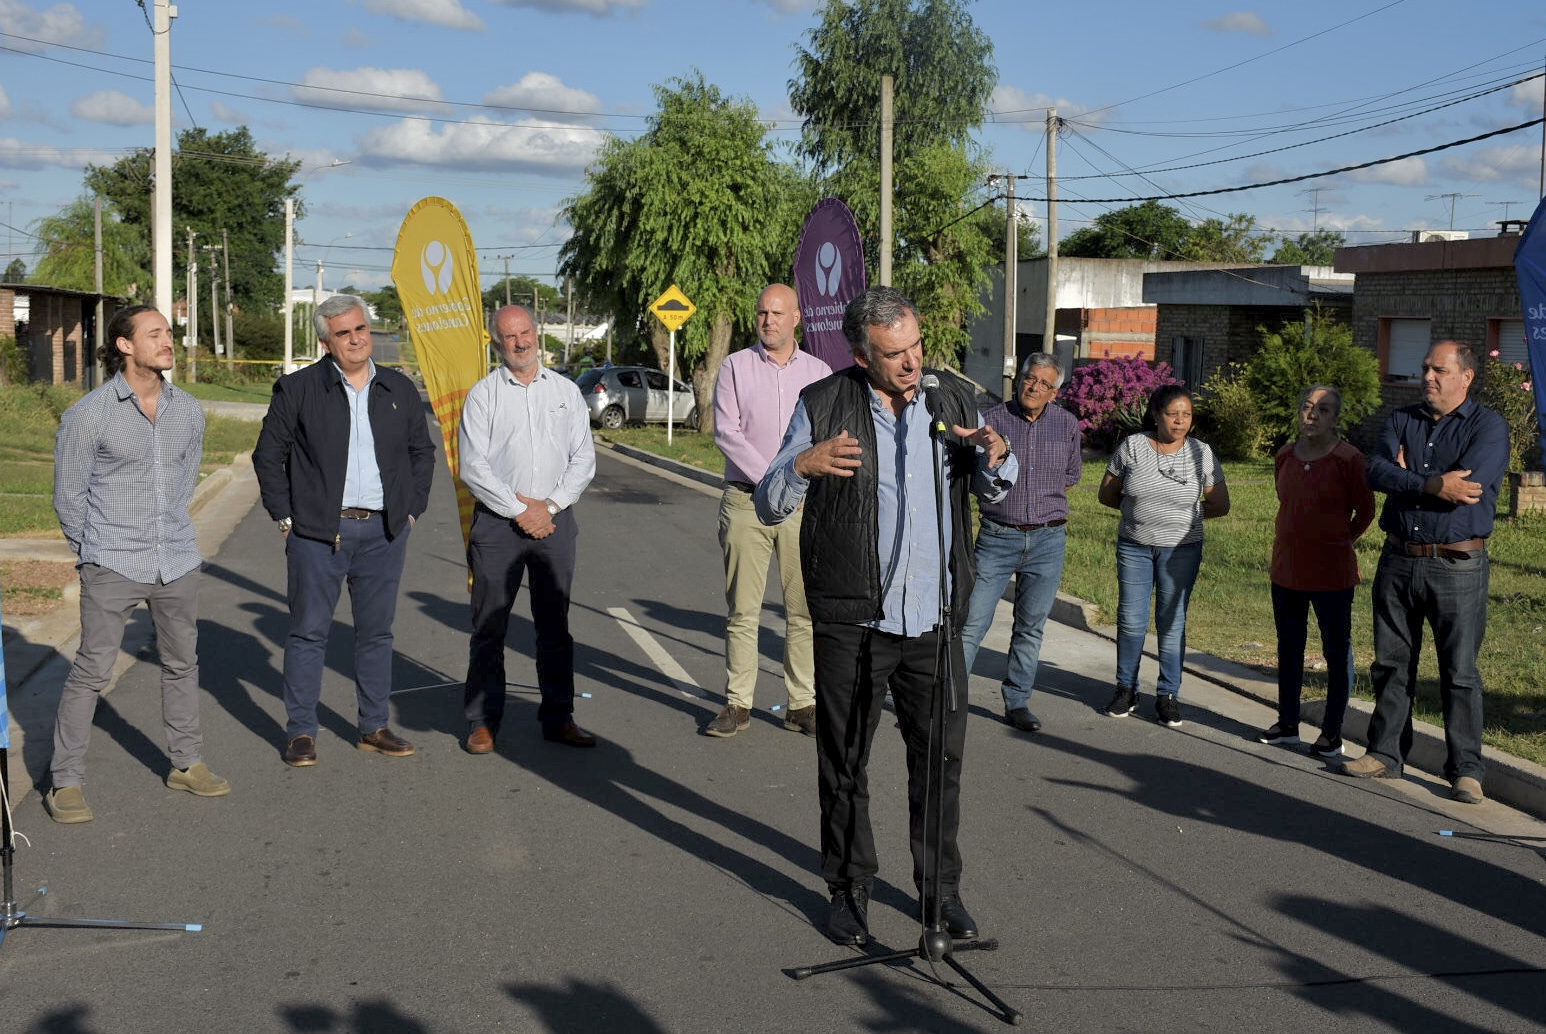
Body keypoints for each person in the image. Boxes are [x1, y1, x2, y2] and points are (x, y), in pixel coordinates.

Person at [756, 286, 1016, 947]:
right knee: (844, 763)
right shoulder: (823, 403)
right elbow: (768, 502)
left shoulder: (952, 399)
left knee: (940, 765)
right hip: (854, 622)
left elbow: (991, 488)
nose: (911, 364)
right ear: (860, 354)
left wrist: (997, 460)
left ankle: (941, 895)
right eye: (895, 354)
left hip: (933, 623)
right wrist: (803, 464)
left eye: (917, 347)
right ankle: (848, 892)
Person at [45, 305, 229, 823]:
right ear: (125, 346)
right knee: (92, 671)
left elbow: (184, 480)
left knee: (182, 664)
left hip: (175, 558)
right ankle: (65, 782)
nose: (167, 341)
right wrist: (94, 555)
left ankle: (186, 764)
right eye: (155, 334)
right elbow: (68, 496)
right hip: (112, 561)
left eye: (168, 333)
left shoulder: (188, 410)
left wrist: (173, 535)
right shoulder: (90, 414)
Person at [253, 294, 436, 767]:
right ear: (325, 341)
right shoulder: (298, 389)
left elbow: (422, 454)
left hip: (384, 532)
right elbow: (268, 457)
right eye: (343, 333)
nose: (355, 339)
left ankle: (373, 727)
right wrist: (286, 520)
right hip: (318, 535)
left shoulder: (398, 388)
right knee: (309, 633)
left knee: (376, 634)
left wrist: (411, 511)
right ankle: (301, 732)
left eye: (360, 329)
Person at [1341, 340, 1508, 804]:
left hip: (1457, 563)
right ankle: (1385, 753)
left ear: (1466, 377)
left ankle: (1466, 771)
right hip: (1399, 559)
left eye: (1439, 370)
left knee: (1459, 671)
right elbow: (1374, 472)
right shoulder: (1401, 419)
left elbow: (1469, 487)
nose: (1427, 377)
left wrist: (1409, 479)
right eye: (1425, 368)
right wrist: (1434, 483)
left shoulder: (1488, 427)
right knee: (1391, 663)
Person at [458, 305, 597, 753]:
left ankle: (559, 716)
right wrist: (521, 510)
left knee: (554, 625)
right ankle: (482, 721)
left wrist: (550, 506)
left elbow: (583, 458)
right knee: (489, 625)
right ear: (496, 343)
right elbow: (473, 466)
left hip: (556, 521)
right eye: (509, 337)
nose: (519, 343)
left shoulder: (565, 392)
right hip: (499, 525)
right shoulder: (483, 395)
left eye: (525, 333)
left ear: (537, 334)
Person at [706, 283, 831, 738]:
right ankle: (737, 704)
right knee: (743, 610)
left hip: (802, 504)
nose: (768, 320)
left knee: (802, 612)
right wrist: (773, 480)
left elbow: (824, 436)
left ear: (796, 318)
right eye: (762, 313)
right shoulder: (735, 366)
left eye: (778, 313)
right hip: (746, 501)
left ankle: (802, 704)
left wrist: (794, 485)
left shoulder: (819, 372)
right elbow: (727, 432)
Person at [959, 352, 1082, 735]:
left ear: (1055, 392)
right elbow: (971, 474)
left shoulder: (1067, 424)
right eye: (1030, 378)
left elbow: (1071, 475)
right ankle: (951, 699)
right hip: (997, 536)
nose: (1034, 387)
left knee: (1030, 626)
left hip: (1048, 538)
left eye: (1044, 383)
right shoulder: (991, 421)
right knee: (971, 622)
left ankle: (1017, 701)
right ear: (1019, 379)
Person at [1098, 385, 1230, 727]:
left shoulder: (1202, 453)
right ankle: (1125, 688)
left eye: (1187, 415)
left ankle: (1168, 694)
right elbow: (1107, 493)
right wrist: (1139, 512)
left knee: (1171, 624)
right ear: (1156, 414)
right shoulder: (1133, 446)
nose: (1180, 420)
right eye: (1173, 413)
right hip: (1135, 546)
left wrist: (1185, 520)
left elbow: (1220, 503)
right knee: (1130, 621)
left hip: (1181, 551)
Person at [1257, 386, 1375, 757]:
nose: (1312, 415)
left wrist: (1341, 540)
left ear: (1336, 418)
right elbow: (1287, 501)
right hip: (1287, 568)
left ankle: (1332, 732)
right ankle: (1288, 722)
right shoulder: (1286, 456)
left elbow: (1366, 511)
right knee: (1288, 646)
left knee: (1336, 650)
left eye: (1323, 410)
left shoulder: (1349, 459)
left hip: (1332, 572)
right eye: (1307, 407)